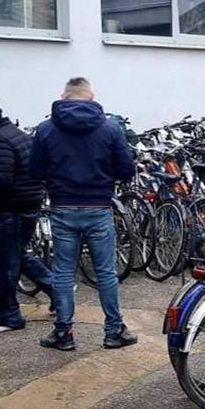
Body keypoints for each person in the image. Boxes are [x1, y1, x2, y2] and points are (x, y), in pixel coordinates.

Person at [30, 77, 136, 351]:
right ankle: (114, 331)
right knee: (105, 272)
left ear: (63, 97)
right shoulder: (110, 129)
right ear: (92, 97)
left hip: (63, 207)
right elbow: (126, 169)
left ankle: (64, 333)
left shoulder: (45, 129)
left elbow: (35, 171)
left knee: (64, 272)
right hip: (98, 206)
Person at [0, 93, 53, 333]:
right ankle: (59, 292)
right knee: (19, 255)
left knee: (3, 265)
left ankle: (8, 316)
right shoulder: (17, 134)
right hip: (28, 204)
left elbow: (1, 181)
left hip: (12, 209)